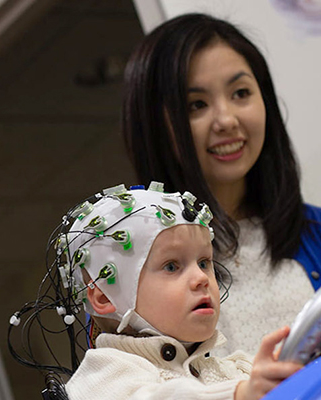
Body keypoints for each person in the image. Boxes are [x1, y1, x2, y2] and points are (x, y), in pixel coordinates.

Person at [121, 13, 321, 357]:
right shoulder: (131, 269)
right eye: (196, 104)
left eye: (241, 93)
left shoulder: (315, 231)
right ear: (153, 126)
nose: (227, 120)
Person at [58, 183, 302, 399]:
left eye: (205, 262)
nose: (201, 278)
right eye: (172, 266)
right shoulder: (103, 378)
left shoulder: (237, 370)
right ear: (104, 297)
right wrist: (240, 394)